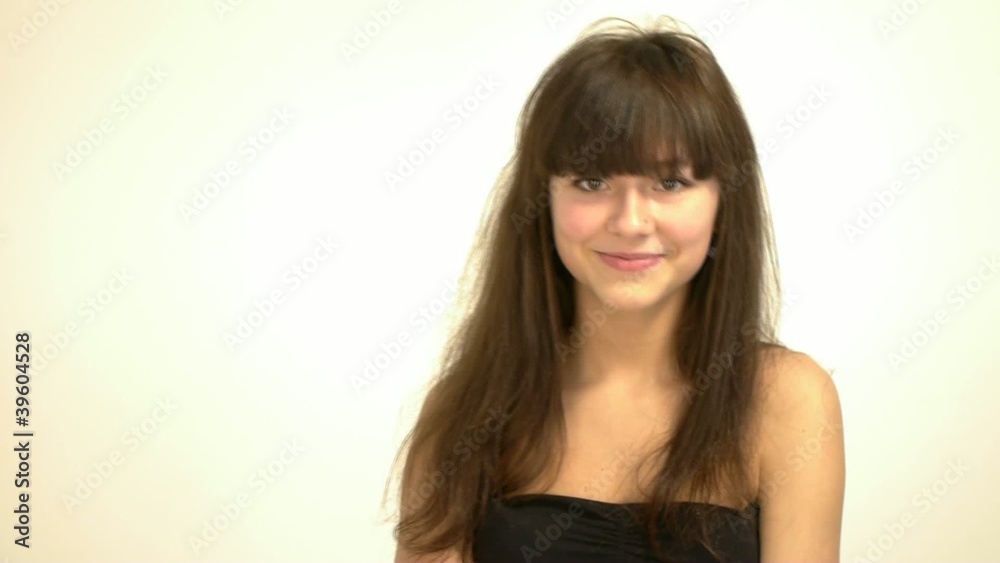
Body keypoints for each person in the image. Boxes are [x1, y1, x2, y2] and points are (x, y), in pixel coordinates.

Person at [386, 15, 845, 563]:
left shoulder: (787, 399)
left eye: (670, 182)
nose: (630, 221)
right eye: (592, 181)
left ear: (724, 202)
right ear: (543, 200)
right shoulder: (467, 411)